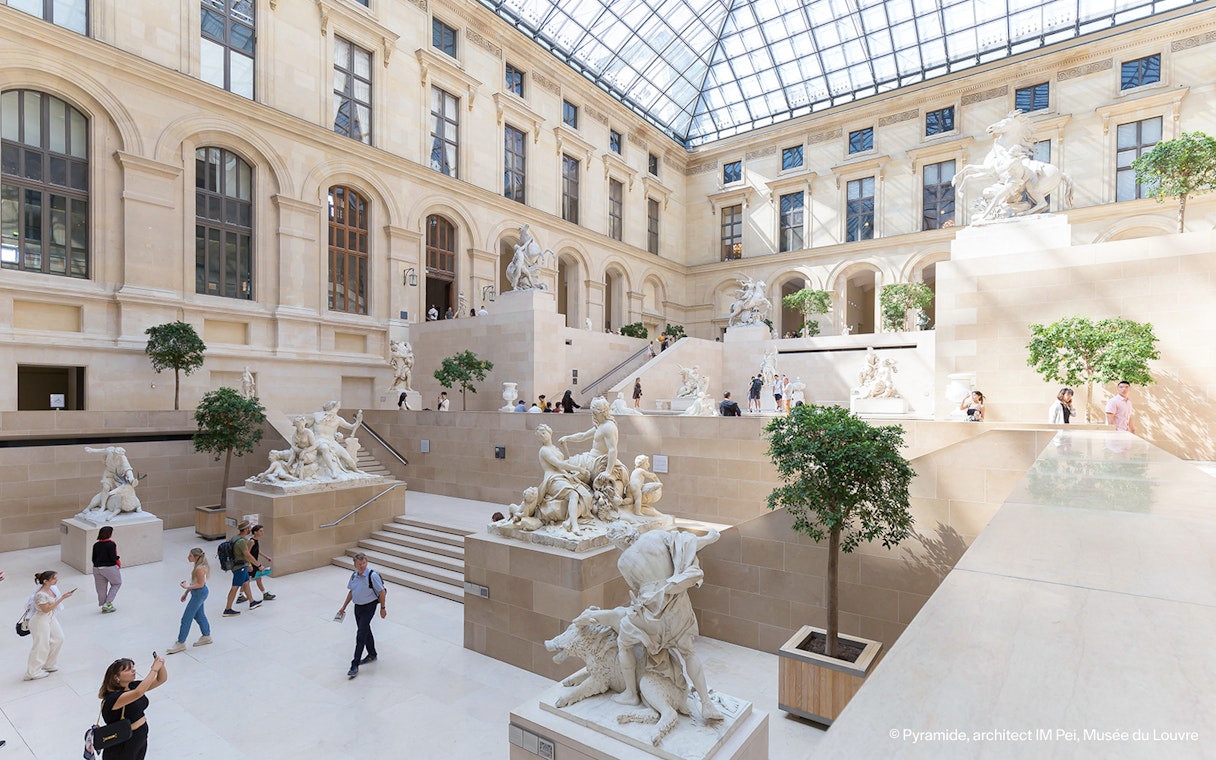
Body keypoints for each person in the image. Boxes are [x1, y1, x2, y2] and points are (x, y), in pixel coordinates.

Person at [595, 523, 723, 721]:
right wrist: (708, 538)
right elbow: (687, 544)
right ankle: (706, 703)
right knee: (689, 652)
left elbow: (637, 586)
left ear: (618, 541)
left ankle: (630, 694)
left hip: (651, 610)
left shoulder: (623, 561)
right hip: (677, 602)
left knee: (624, 642)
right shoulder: (655, 536)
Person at [98, 654, 168, 760]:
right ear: (116, 677)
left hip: (139, 736)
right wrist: (153, 670)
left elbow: (160, 680)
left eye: (133, 668)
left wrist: (160, 665)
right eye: (128, 670)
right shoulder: (113, 698)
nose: (133, 671)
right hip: (123, 743)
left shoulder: (133, 686)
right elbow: (138, 693)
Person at [337, 553, 387, 679]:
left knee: (360, 634)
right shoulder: (354, 575)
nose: (362, 566)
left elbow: (381, 591)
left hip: (369, 607)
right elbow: (351, 591)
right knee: (365, 630)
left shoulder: (372, 576)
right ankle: (372, 653)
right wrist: (343, 607)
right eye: (359, 564)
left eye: (364, 563)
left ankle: (354, 664)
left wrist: (383, 608)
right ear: (354, 564)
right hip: (358, 607)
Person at [26, 570, 74, 680]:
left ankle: (48, 664)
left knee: (59, 638)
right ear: (45, 581)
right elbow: (46, 609)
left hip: (50, 618)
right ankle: (33, 672)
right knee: (40, 645)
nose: (56, 580)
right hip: (40, 620)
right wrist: (62, 598)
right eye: (53, 578)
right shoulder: (40, 594)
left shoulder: (52, 589)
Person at [168, 548, 212, 653]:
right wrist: (186, 592)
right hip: (198, 593)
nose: (188, 557)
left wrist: (185, 587)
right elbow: (195, 583)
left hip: (199, 594)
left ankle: (181, 642)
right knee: (199, 615)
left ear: (196, 557)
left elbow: (200, 584)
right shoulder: (198, 567)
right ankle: (206, 635)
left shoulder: (199, 569)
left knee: (186, 618)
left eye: (190, 556)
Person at [223, 521, 261, 616]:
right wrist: (258, 565)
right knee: (235, 587)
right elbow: (247, 555)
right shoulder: (242, 541)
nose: (250, 529)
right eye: (249, 528)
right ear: (245, 529)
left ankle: (252, 602)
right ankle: (227, 609)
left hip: (240, 566)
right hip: (239, 567)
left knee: (246, 583)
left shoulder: (235, 538)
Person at [92, 525, 122, 614]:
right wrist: (118, 557)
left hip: (96, 568)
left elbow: (93, 558)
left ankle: (103, 605)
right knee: (116, 583)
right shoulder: (111, 544)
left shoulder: (96, 545)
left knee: (101, 588)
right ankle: (108, 603)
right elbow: (113, 558)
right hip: (109, 567)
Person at [248, 524, 275, 601]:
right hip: (252, 563)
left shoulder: (255, 540)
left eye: (262, 531)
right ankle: (264, 594)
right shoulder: (252, 541)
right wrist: (249, 564)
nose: (262, 532)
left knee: (249, 580)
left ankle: (241, 595)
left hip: (254, 562)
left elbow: (257, 551)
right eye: (260, 531)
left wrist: (266, 557)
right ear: (255, 532)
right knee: (254, 579)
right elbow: (247, 553)